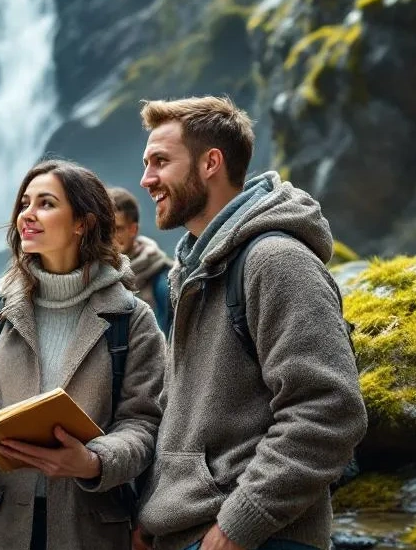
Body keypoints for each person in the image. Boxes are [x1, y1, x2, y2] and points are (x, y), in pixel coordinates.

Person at [132, 96, 366, 550]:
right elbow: (186, 415)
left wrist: (238, 527)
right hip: (189, 533)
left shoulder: (276, 262)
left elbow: (329, 410)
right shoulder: (191, 269)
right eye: (146, 163)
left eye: (160, 161)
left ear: (210, 163)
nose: (146, 180)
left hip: (259, 540)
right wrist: (151, 516)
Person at [0, 159, 167, 550]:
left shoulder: (132, 319)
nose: (27, 215)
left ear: (82, 223)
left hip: (87, 530)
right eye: (24, 203)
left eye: (46, 203)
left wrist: (93, 462)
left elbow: (143, 425)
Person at [108, 187, 174, 323]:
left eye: (117, 229)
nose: (110, 236)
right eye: (105, 228)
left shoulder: (164, 282)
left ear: (133, 229)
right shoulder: (93, 273)